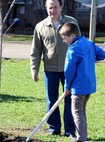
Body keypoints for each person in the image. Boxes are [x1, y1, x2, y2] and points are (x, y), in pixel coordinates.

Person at [30, 0, 80, 137]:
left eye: (55, 7)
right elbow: (35, 50)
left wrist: (81, 65)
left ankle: (70, 130)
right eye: (50, 8)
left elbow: (79, 45)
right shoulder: (40, 27)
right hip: (50, 69)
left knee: (70, 99)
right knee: (52, 100)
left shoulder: (71, 22)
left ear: (61, 7)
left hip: (69, 69)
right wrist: (34, 69)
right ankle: (54, 128)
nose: (53, 10)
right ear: (46, 8)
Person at [59, 22, 105, 141]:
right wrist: (90, 58)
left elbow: (69, 71)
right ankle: (83, 136)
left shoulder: (73, 50)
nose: (64, 41)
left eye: (65, 38)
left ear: (73, 36)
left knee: (77, 112)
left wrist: (67, 87)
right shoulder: (89, 43)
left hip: (78, 87)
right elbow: (103, 54)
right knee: (81, 111)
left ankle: (81, 138)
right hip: (89, 86)